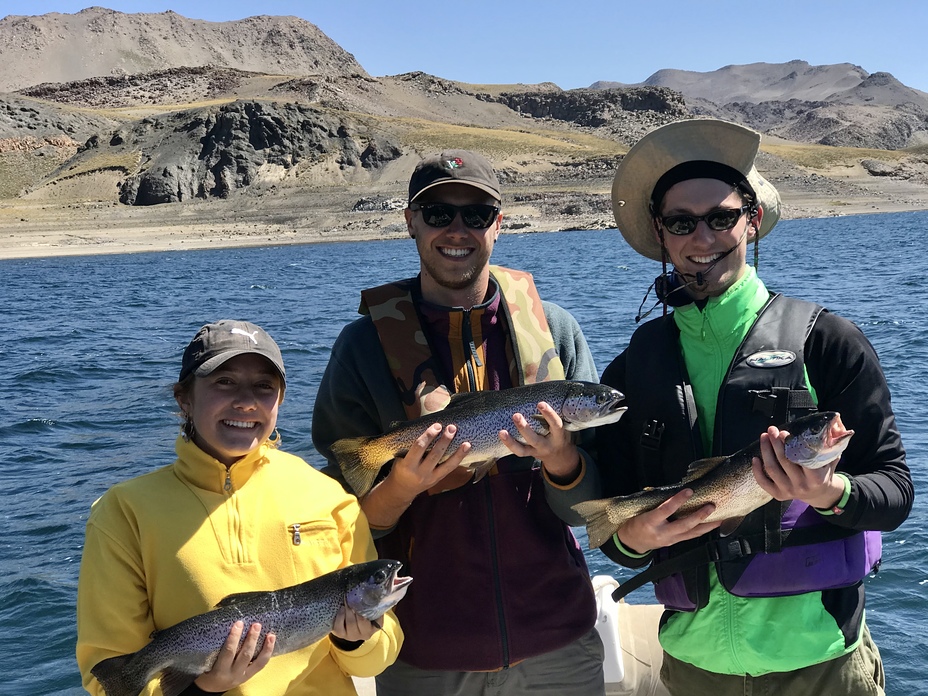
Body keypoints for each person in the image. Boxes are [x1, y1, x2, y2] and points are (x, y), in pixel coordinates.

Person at [592, 119, 913, 695]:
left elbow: (894, 491)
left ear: (752, 219)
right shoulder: (637, 363)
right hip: (694, 669)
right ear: (661, 235)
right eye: (681, 223)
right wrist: (634, 540)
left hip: (822, 666)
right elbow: (613, 519)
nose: (703, 237)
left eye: (722, 217)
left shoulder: (829, 340)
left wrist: (828, 493)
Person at [312, 149, 606, 695]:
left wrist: (562, 460)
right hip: (424, 651)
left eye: (475, 215)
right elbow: (344, 526)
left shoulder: (557, 329)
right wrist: (402, 485)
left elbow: (588, 509)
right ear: (410, 222)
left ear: (499, 223)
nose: (457, 229)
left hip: (558, 641)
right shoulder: (363, 347)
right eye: (438, 213)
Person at [76, 320, 403, 696]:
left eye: (264, 387)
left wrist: (355, 642)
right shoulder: (124, 512)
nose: (246, 401)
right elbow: (106, 671)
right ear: (184, 398)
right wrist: (205, 688)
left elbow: (384, 648)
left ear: (279, 401)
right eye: (224, 382)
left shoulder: (328, 497)